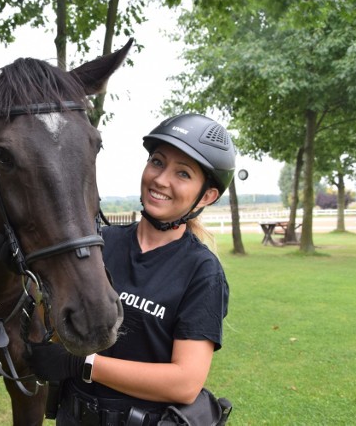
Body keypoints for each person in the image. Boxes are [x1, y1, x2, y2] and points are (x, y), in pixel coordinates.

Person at [26, 113, 236, 425]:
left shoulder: (201, 271)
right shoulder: (100, 245)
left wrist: (83, 364)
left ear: (207, 195)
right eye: (157, 162)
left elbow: (185, 383)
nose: (161, 179)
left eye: (183, 174)